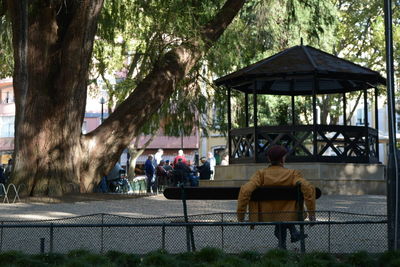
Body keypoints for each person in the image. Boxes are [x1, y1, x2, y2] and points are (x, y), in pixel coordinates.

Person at [237, 145, 316, 249]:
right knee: (284, 213)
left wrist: (241, 216)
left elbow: (245, 190)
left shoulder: (260, 175)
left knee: (280, 214)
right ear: (283, 158)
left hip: (267, 214)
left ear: (269, 159)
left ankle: (283, 244)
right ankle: (292, 233)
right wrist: (311, 214)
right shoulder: (292, 174)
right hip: (289, 214)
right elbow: (308, 188)